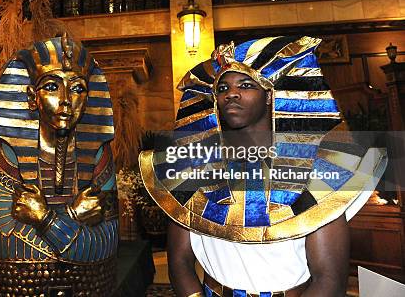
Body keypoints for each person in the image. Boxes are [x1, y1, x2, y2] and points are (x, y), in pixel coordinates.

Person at [139, 36, 386, 297]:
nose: (231, 93)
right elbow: (179, 262)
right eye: (222, 88)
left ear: (270, 96)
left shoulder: (316, 168)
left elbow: (329, 280)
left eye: (245, 85)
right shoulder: (194, 167)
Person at [0, 34, 119, 296]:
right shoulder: (2, 153)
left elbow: (106, 243)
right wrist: (73, 218)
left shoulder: (98, 156)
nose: (65, 100)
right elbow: (0, 245)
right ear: (31, 96)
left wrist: (43, 218)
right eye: (52, 87)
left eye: (77, 88)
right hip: (10, 288)